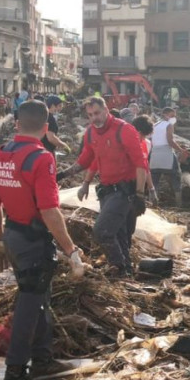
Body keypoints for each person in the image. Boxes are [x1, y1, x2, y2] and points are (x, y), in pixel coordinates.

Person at [0, 99, 85, 380]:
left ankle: (42, 359)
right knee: (29, 304)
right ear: (45, 128)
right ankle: (15, 376)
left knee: (41, 297)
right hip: (33, 241)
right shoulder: (42, 159)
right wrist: (71, 251)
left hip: (13, 237)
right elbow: (50, 211)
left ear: (17, 124)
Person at [57, 97, 148, 276]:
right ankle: (126, 272)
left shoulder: (124, 130)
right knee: (120, 234)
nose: (94, 118)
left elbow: (141, 164)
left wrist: (140, 194)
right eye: (90, 115)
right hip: (106, 192)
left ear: (106, 110)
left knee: (102, 231)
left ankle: (118, 267)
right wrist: (62, 175)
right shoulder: (91, 133)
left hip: (124, 193)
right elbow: (86, 160)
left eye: (97, 113)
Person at [149, 107, 187, 207]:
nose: (174, 118)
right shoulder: (168, 125)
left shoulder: (154, 125)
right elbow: (170, 141)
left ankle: (152, 202)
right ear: (165, 114)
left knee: (154, 180)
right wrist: (181, 150)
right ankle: (179, 203)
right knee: (176, 176)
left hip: (155, 154)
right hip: (166, 153)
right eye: (172, 115)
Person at [42, 95, 71, 159]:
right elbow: (51, 138)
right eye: (59, 106)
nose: (61, 108)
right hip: (47, 151)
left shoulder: (42, 115)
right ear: (52, 106)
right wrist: (64, 146)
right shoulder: (50, 119)